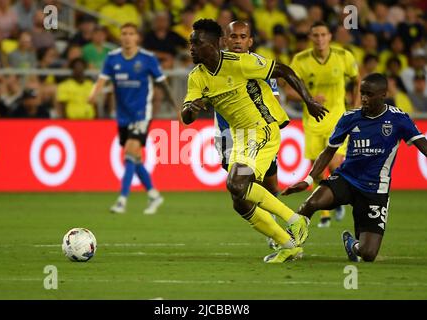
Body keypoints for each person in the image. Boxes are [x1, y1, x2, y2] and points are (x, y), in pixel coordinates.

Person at [182, 19, 328, 263]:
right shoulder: (196, 76)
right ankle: (288, 244)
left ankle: (296, 220)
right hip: (237, 136)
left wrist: (309, 100)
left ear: (215, 44)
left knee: (241, 185)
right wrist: (192, 108)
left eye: (197, 43)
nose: (192, 48)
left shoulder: (241, 63)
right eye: (190, 43)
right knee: (240, 201)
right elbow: (186, 116)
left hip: (262, 130)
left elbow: (284, 70)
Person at [282, 73, 427, 262]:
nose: (364, 99)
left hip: (375, 189)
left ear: (383, 94)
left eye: (369, 94)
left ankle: (352, 244)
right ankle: (287, 244)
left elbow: (423, 145)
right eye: (362, 93)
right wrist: (308, 179)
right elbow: (329, 151)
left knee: (368, 254)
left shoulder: (398, 119)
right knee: (312, 203)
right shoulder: (350, 117)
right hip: (346, 179)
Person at [88, 23, 178, 215]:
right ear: (120, 38)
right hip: (122, 116)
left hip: (142, 114)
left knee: (129, 153)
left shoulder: (148, 59)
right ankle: (154, 195)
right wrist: (93, 93)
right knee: (135, 158)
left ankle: (122, 200)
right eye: (124, 34)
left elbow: (163, 84)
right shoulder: (112, 59)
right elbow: (102, 80)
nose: (127, 37)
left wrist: (177, 108)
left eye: (131, 34)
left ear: (137, 38)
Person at [216, 20, 289, 250]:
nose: (237, 41)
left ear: (250, 41)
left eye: (242, 36)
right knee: (239, 193)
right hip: (227, 134)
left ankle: (279, 229)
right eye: (233, 37)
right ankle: (279, 230)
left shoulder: (261, 65)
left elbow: (275, 99)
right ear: (225, 40)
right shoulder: (214, 65)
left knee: (269, 183)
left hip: (257, 132)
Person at [287, 21, 361, 228]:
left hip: (337, 120)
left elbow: (357, 80)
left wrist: (354, 109)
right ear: (310, 38)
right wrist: (308, 98)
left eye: (323, 35)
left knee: (335, 164)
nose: (319, 39)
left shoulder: (343, 56)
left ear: (330, 36)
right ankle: (330, 207)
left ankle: (333, 203)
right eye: (315, 35)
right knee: (317, 172)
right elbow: (289, 92)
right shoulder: (300, 60)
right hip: (313, 122)